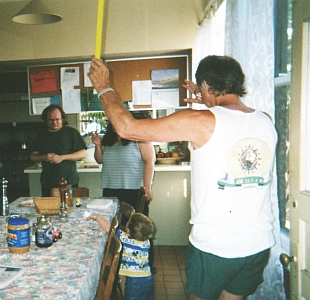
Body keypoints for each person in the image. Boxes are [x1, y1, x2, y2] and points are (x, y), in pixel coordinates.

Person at [89, 55, 277, 300]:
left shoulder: (199, 121)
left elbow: (126, 128)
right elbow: (231, 118)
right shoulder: (265, 120)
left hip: (216, 246)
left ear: (206, 86)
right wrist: (206, 98)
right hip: (258, 245)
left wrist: (104, 86)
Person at [87, 213, 155, 300]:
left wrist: (97, 217)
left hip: (133, 281)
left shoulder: (124, 238)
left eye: (128, 222)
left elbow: (108, 227)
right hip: (148, 279)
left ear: (128, 230)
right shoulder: (146, 242)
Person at [91, 122, 155, 211]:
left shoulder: (140, 139)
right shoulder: (108, 140)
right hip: (110, 190)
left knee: (135, 223)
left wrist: (147, 187)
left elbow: (149, 162)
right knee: (112, 222)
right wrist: (97, 145)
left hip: (134, 190)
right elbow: (100, 160)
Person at [30, 104, 87, 196]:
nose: (55, 122)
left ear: (62, 119)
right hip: (48, 182)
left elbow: (83, 154)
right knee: (49, 209)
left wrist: (62, 157)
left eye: (57, 119)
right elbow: (33, 157)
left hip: (69, 181)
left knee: (70, 208)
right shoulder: (41, 135)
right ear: (46, 120)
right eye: (51, 120)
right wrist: (44, 157)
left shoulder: (71, 133)